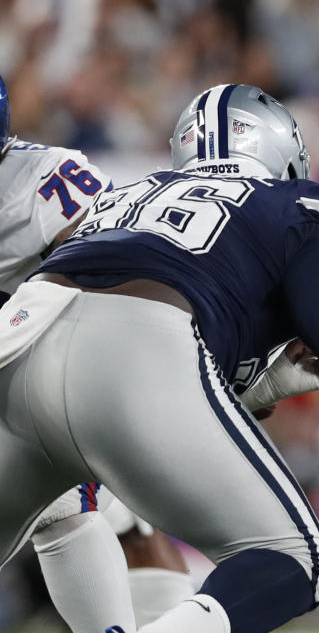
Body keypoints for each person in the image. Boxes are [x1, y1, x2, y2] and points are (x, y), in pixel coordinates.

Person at [0, 82, 319, 633]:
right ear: (285, 151)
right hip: (140, 338)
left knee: (65, 511)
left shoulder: (133, 193)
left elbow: (145, 362)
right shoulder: (298, 205)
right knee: (297, 559)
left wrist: (266, 386)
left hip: (24, 333)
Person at [0, 71, 199, 631]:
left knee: (65, 508)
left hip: (71, 363)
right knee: (125, 524)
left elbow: (119, 276)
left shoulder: (45, 182)